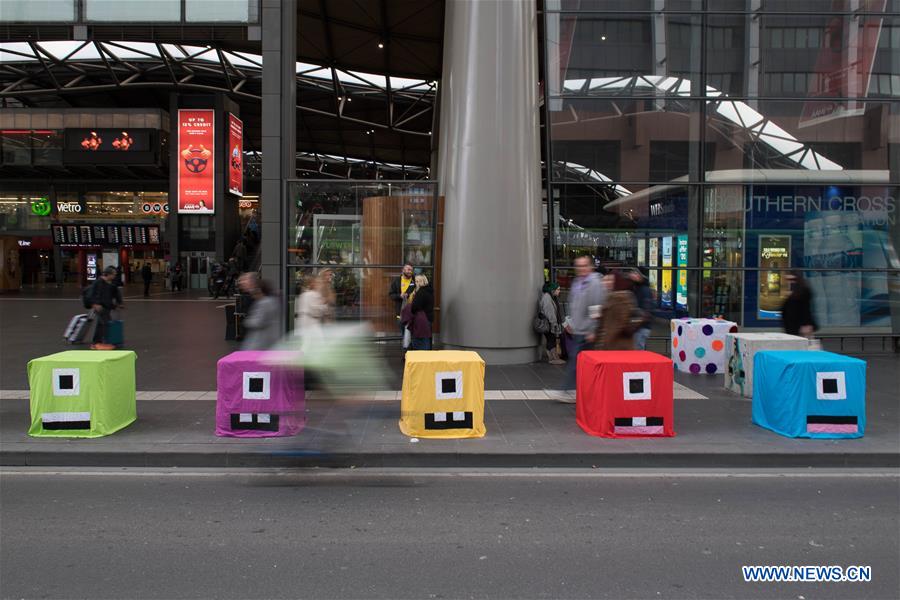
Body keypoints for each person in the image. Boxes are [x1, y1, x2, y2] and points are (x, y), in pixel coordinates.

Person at [559, 255, 607, 399]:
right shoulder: (577, 282)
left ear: (590, 267)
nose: (581, 269)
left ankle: (569, 390)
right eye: (578, 266)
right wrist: (570, 323)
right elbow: (572, 304)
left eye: (584, 266)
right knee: (578, 362)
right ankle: (581, 390)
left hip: (587, 331)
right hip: (578, 329)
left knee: (576, 361)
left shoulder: (595, 284)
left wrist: (593, 329)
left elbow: (597, 308)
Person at [239, 273, 282, 351]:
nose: (242, 284)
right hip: (266, 339)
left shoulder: (265, 302)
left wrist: (247, 321)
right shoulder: (271, 300)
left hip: (262, 341)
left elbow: (257, 322)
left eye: (245, 281)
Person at [294, 269, 335, 343]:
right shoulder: (315, 291)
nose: (330, 276)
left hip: (315, 319)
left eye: (330, 274)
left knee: (309, 341)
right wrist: (324, 303)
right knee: (316, 341)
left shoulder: (327, 286)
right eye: (328, 274)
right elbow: (316, 306)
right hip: (313, 320)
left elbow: (331, 300)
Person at [89, 266, 123, 349]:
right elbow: (91, 294)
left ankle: (100, 341)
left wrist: (117, 304)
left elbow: (114, 294)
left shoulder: (110, 284)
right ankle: (97, 343)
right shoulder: (98, 283)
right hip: (100, 307)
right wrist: (94, 304)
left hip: (106, 307)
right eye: (113, 274)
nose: (115, 276)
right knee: (103, 323)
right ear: (108, 274)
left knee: (103, 323)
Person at [402, 274, 433, 350]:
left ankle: (421, 359)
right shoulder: (429, 291)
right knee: (426, 339)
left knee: (421, 340)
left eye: (418, 281)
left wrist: (410, 308)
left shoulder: (421, 292)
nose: (416, 283)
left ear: (422, 281)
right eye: (416, 281)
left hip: (421, 320)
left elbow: (415, 306)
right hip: (428, 318)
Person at [781, 271, 817, 338]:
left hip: (800, 327)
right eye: (787, 280)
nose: (789, 282)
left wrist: (806, 324)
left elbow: (805, 310)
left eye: (792, 280)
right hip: (792, 328)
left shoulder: (803, 291)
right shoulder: (793, 292)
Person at [539, 282, 565, 364]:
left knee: (551, 339)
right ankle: (553, 358)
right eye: (558, 289)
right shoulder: (547, 298)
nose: (559, 291)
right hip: (549, 323)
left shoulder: (551, 297)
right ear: (552, 290)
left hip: (551, 323)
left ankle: (553, 357)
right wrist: (554, 323)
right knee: (551, 339)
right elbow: (549, 313)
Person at [629, 267, 654, 350]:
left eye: (635, 273)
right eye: (632, 272)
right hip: (638, 327)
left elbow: (646, 311)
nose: (632, 275)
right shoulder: (636, 288)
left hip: (641, 327)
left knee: (638, 352)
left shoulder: (644, 290)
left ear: (641, 276)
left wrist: (635, 323)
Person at [389, 264, 416, 338]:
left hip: (413, 312)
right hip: (401, 312)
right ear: (403, 270)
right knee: (404, 333)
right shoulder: (397, 281)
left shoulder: (415, 280)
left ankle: (411, 347)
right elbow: (391, 295)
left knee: (413, 333)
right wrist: (399, 296)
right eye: (408, 269)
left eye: (411, 270)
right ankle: (406, 348)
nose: (410, 271)